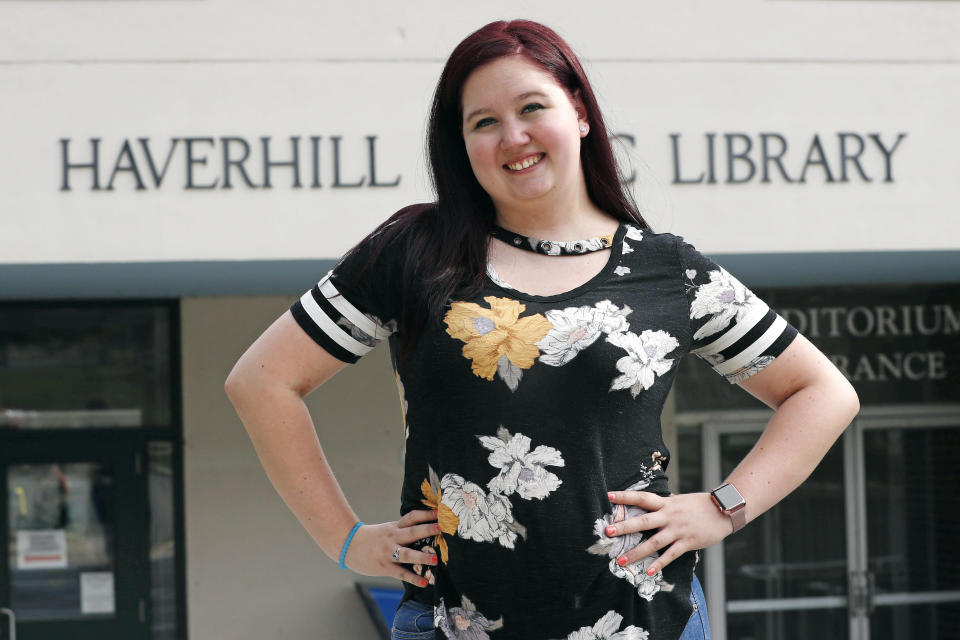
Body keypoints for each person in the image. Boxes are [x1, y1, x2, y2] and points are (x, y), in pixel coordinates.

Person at [225, 19, 859, 640]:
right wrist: (344, 540)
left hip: (644, 621)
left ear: (579, 112)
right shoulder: (417, 253)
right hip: (452, 622)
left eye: (532, 106)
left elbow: (823, 394)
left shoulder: (667, 271)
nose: (513, 136)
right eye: (484, 122)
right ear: (461, 144)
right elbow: (262, 381)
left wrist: (722, 507)